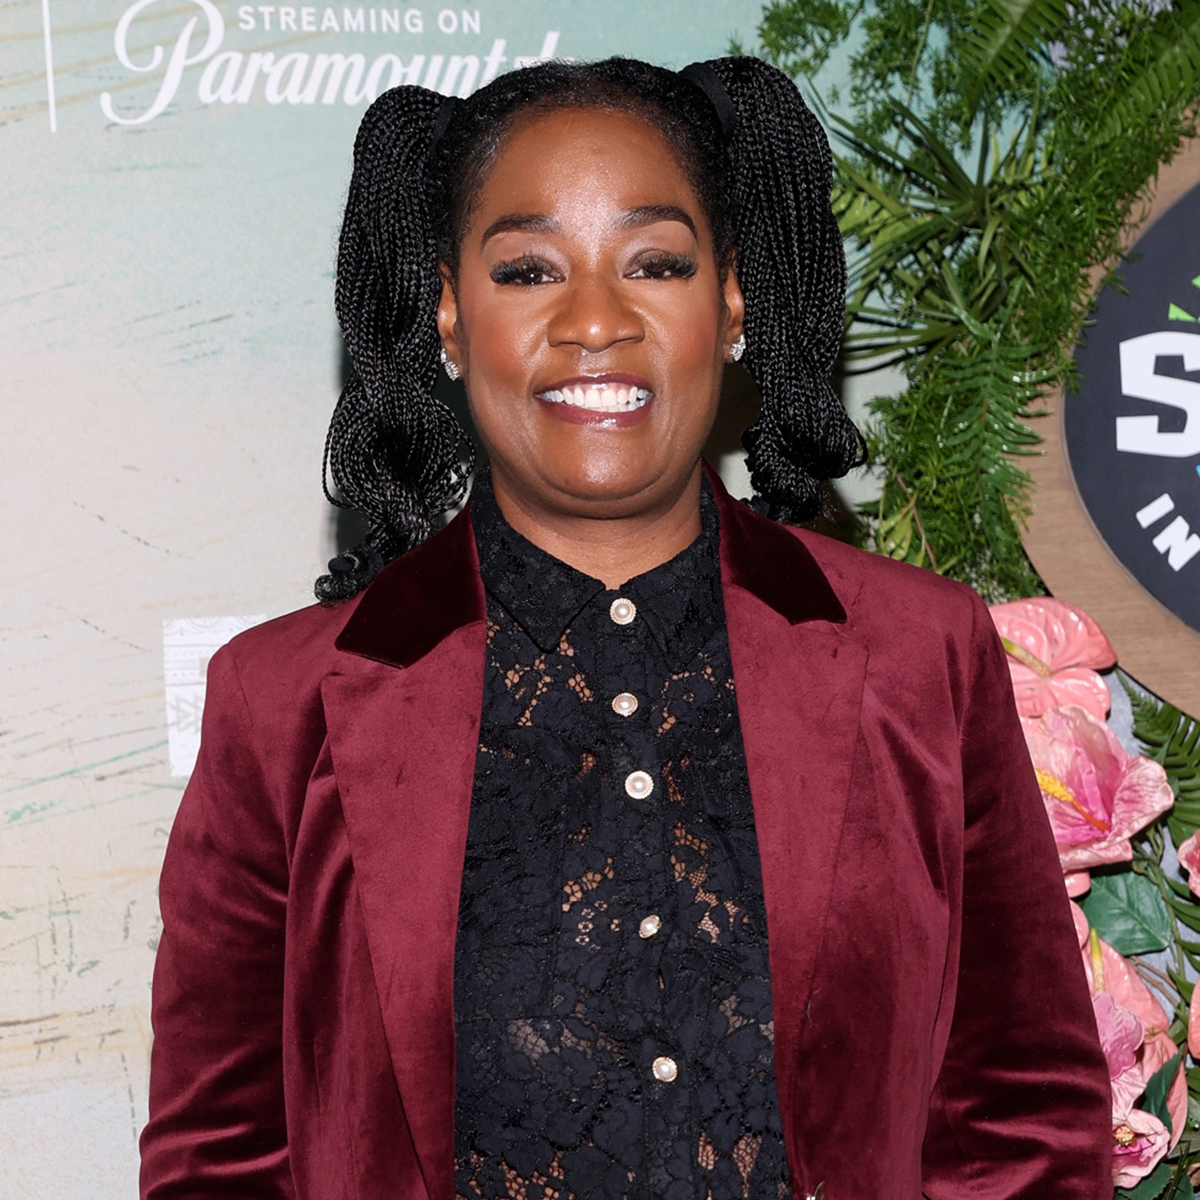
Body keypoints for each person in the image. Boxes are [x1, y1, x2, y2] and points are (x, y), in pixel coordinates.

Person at [139, 55, 1111, 1200]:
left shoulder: (922, 655)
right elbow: (220, 1162)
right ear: (449, 314)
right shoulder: (281, 705)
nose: (596, 320)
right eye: (527, 271)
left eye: (656, 263)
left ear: (732, 301)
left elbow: (1023, 1116)